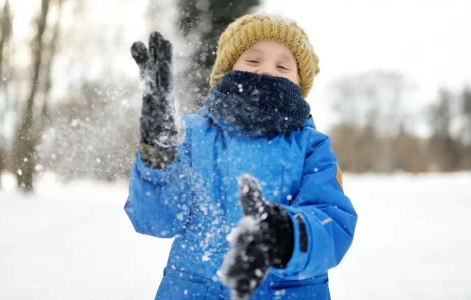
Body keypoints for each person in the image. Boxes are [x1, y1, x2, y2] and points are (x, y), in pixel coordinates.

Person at [124, 12, 357, 300]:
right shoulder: (190, 136)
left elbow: (332, 223)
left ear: (300, 84)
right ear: (227, 69)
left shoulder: (311, 146)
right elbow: (157, 220)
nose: (267, 71)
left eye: (283, 66)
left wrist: (282, 235)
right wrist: (158, 155)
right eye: (253, 60)